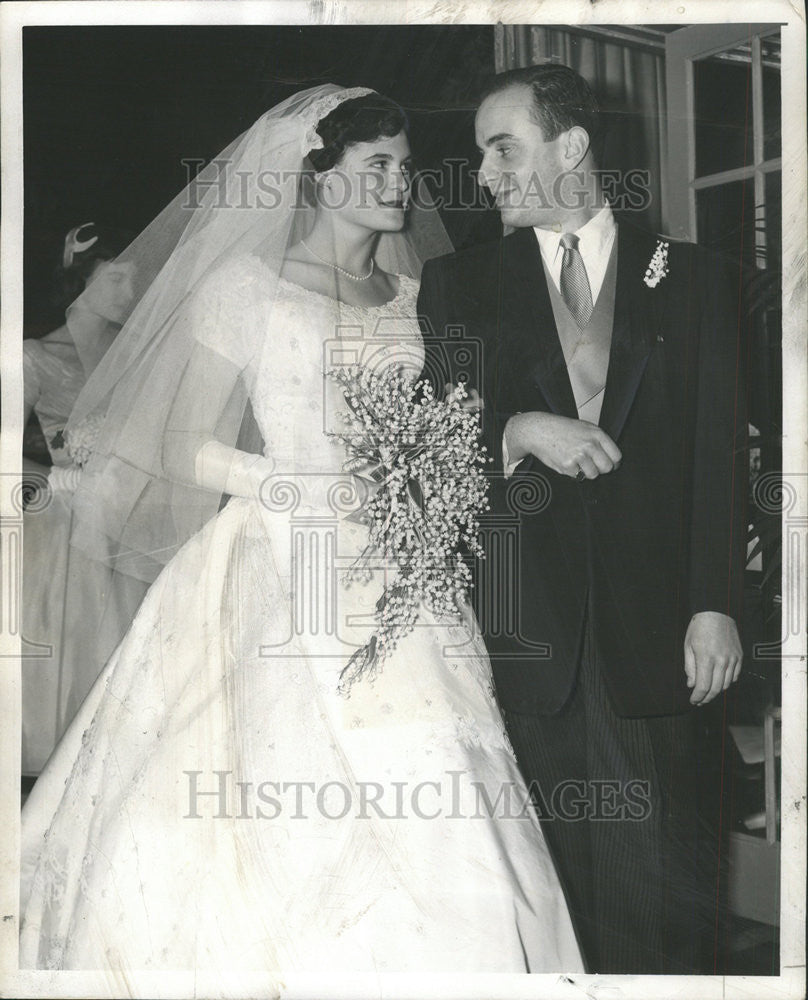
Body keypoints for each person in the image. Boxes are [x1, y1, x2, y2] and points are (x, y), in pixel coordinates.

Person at [19, 85, 583, 979]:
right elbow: (178, 443)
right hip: (277, 560)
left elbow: (438, 426)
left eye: (403, 165)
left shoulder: (414, 293)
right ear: (318, 179)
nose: (399, 183)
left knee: (436, 770)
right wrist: (293, 487)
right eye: (377, 167)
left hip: (402, 573)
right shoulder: (247, 289)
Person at [417, 64, 747, 974]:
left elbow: (722, 456)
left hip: (662, 635)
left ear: (573, 147)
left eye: (502, 147)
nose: (482, 174)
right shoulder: (457, 283)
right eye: (481, 152)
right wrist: (518, 428)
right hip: (524, 639)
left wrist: (714, 603)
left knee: (668, 891)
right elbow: (428, 451)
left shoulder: (698, 276)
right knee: (550, 907)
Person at [21, 224, 142, 774]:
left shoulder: (141, 358)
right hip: (65, 528)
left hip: (132, 522)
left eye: (134, 277)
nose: (132, 289)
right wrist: (57, 481)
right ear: (80, 280)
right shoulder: (35, 356)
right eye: (117, 276)